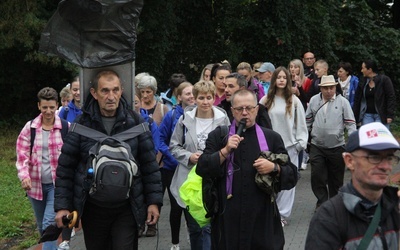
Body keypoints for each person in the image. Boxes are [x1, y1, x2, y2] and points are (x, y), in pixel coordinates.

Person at [54, 70, 163, 250]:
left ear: (121, 91)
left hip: (127, 207)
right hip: (93, 209)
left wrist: (153, 202)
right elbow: (66, 169)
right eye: (105, 91)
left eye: (115, 90)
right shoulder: (81, 125)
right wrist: (62, 206)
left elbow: (149, 166)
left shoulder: (136, 123)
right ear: (94, 93)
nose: (111, 96)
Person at [196, 89, 298, 250]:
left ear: (257, 109)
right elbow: (202, 168)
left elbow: (292, 175)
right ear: (232, 111)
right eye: (239, 109)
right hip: (228, 218)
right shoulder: (218, 137)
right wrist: (225, 151)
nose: (245, 113)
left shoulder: (272, 137)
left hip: (262, 216)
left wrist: (274, 167)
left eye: (249, 108)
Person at [305, 122, 400, 249]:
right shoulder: (329, 218)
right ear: (349, 161)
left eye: (389, 158)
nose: (385, 166)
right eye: (374, 157)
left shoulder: (395, 208)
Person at [169, 80, 230, 250]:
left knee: (209, 226)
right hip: (189, 179)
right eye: (201, 98)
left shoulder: (222, 119)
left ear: (214, 99)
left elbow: (228, 145)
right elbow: (173, 146)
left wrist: (214, 158)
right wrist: (189, 156)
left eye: (209, 97)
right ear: (194, 99)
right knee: (195, 227)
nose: (205, 102)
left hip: (212, 178)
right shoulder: (184, 120)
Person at [16, 87, 67, 250]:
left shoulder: (65, 128)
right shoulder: (29, 128)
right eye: (45, 107)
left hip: (56, 185)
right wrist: (24, 176)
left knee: (48, 223)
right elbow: (22, 155)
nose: (48, 111)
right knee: (42, 226)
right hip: (35, 186)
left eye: (52, 107)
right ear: (39, 106)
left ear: (56, 105)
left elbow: (74, 156)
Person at [261, 67, 308, 227]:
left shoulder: (294, 101)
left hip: (290, 146)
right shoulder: (265, 100)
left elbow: (301, 123)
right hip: (269, 147)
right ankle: (270, 212)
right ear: (274, 80)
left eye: (284, 77)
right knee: (270, 180)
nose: (281, 80)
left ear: (288, 81)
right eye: (278, 77)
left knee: (287, 180)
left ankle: (282, 214)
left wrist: (301, 144)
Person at [305, 75, 356, 211]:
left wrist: (353, 143)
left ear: (335, 87)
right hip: (317, 145)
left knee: (336, 178)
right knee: (317, 175)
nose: (328, 90)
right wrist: (304, 139)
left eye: (331, 87)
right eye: (325, 88)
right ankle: (321, 201)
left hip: (337, 146)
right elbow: (307, 121)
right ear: (321, 88)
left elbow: (350, 124)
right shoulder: (314, 100)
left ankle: (334, 203)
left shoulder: (343, 102)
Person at [158, 82, 195, 250]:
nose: (192, 96)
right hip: (171, 168)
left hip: (192, 168)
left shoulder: (199, 115)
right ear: (179, 97)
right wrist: (172, 157)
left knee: (192, 205)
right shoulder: (172, 115)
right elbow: (160, 139)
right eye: (187, 94)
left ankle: (192, 236)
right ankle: (174, 243)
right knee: (176, 207)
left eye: (194, 93)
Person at [353, 59, 396, 129]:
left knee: (380, 137)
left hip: (381, 115)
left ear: (369, 70)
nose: (361, 70)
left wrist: (390, 115)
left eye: (363, 68)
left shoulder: (384, 80)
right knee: (368, 137)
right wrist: (356, 115)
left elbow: (391, 97)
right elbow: (357, 99)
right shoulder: (362, 82)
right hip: (366, 115)